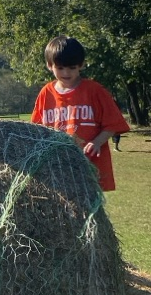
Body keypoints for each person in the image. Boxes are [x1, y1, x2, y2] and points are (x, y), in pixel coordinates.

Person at [31, 35, 130, 191]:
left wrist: (97, 142)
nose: (66, 73)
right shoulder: (45, 94)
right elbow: (36, 130)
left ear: (81, 65)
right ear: (50, 65)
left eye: (72, 68)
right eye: (60, 68)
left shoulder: (95, 91)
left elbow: (113, 124)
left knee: (88, 211)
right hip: (58, 168)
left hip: (90, 167)